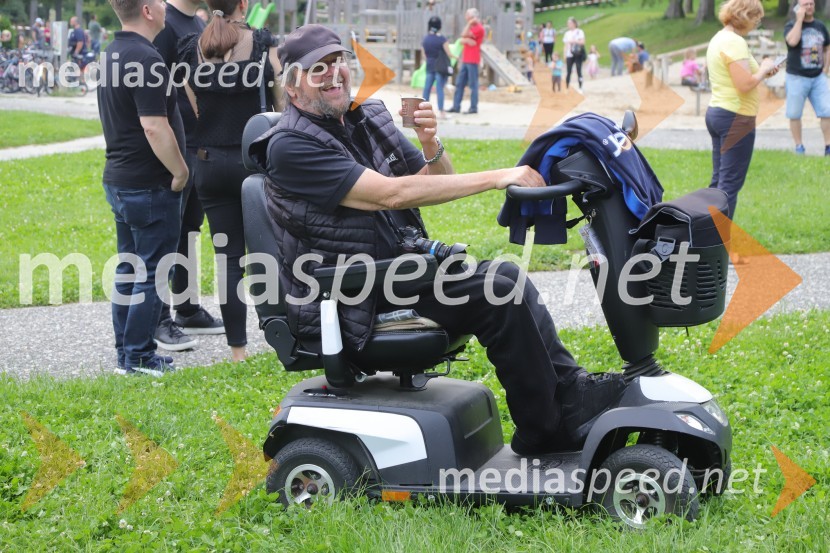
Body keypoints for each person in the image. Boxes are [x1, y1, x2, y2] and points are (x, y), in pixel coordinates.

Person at [254, 24, 627, 456]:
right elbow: (390, 194)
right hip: (352, 294)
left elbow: (435, 180)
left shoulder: (366, 118)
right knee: (498, 291)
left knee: (505, 275)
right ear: (294, 86)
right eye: (319, 69)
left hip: (395, 274)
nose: (335, 74)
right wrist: (498, 176)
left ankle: (569, 393)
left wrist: (431, 143)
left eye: (339, 62)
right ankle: (545, 430)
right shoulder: (289, 147)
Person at [179, 0, 281, 362]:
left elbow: (194, 107)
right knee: (272, 255)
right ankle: (284, 334)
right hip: (251, 164)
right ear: (244, 4)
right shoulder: (264, 44)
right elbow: (278, 109)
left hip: (208, 165)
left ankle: (237, 350)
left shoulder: (192, 48)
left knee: (228, 260)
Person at [98, 0, 188, 375]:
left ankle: (127, 353)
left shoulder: (112, 53)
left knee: (129, 269)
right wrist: (180, 171)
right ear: (149, 10)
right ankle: (138, 357)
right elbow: (154, 127)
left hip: (120, 181)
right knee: (152, 272)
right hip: (148, 186)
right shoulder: (146, 60)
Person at [152, 0, 224, 351]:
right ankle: (158, 317)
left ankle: (188, 308)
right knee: (168, 233)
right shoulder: (164, 23)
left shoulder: (197, 23)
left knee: (189, 230)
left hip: (200, 142)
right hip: (178, 144)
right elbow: (153, 92)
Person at [705, 0, 777, 223]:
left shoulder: (719, 38)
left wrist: (764, 72)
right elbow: (744, 85)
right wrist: (763, 68)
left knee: (718, 183)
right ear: (744, 15)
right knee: (728, 187)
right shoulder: (735, 42)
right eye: (756, 17)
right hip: (736, 118)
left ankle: (705, 243)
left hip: (718, 112)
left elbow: (741, 77)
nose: (758, 22)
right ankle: (720, 250)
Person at [783, 0, 830, 156]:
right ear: (798, 7)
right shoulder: (791, 26)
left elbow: (827, 48)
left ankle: (828, 146)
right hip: (796, 77)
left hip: (818, 77)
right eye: (805, 4)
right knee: (795, 114)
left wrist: (825, 69)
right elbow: (792, 41)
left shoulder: (820, 26)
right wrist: (799, 20)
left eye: (811, 4)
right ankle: (799, 147)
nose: (809, 7)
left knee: (827, 111)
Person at [448, 8, 484, 115]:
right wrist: (466, 39)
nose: (466, 17)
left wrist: (465, 37)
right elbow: (463, 37)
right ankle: (456, 106)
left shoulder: (479, 28)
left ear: (472, 17)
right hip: (466, 59)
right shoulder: (472, 27)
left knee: (473, 85)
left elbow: (463, 35)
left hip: (473, 60)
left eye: (467, 15)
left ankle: (473, 108)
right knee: (459, 83)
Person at [422, 16, 454, 119]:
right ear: (439, 26)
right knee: (439, 89)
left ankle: (423, 110)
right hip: (440, 67)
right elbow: (449, 53)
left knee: (427, 89)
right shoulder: (442, 39)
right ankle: (441, 112)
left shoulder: (425, 39)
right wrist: (456, 57)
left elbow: (424, 55)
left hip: (429, 66)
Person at [563, 17, 585, 92]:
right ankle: (567, 87)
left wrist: (575, 41)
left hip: (577, 53)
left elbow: (582, 42)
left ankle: (580, 87)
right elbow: (565, 45)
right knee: (568, 71)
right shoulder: (567, 33)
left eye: (570, 23)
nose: (569, 25)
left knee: (579, 70)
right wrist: (565, 54)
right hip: (569, 54)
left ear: (574, 24)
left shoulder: (579, 31)